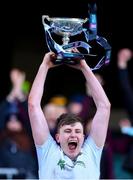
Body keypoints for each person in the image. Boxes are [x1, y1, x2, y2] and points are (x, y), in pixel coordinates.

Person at [28, 50, 111, 179]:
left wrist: (84, 66)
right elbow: (33, 105)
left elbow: (104, 107)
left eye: (77, 131)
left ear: (83, 137)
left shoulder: (91, 151)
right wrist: (44, 66)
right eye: (67, 131)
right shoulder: (48, 151)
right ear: (57, 137)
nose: (73, 134)